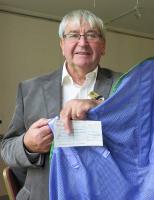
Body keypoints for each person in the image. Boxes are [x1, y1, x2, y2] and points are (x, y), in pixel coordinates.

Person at [1, 9, 121, 200]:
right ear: (62, 44)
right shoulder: (30, 89)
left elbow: (142, 138)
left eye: (91, 35)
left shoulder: (125, 85)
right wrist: (28, 145)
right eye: (73, 35)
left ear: (103, 46)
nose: (82, 42)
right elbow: (6, 148)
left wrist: (99, 107)